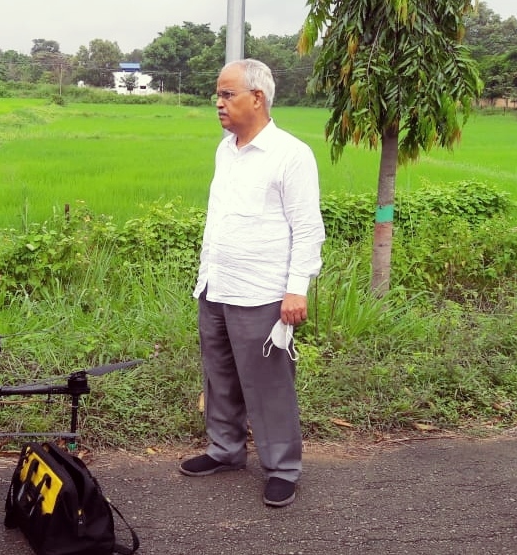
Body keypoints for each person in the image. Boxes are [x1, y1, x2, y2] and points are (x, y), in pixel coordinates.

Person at [178, 58, 325, 508]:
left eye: (227, 94)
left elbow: (307, 228)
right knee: (219, 376)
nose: (218, 103)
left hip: (262, 292)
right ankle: (225, 450)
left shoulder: (291, 154)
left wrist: (297, 288)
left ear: (257, 99)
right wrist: (207, 275)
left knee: (268, 385)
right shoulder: (226, 148)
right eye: (218, 95)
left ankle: (282, 467)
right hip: (217, 285)